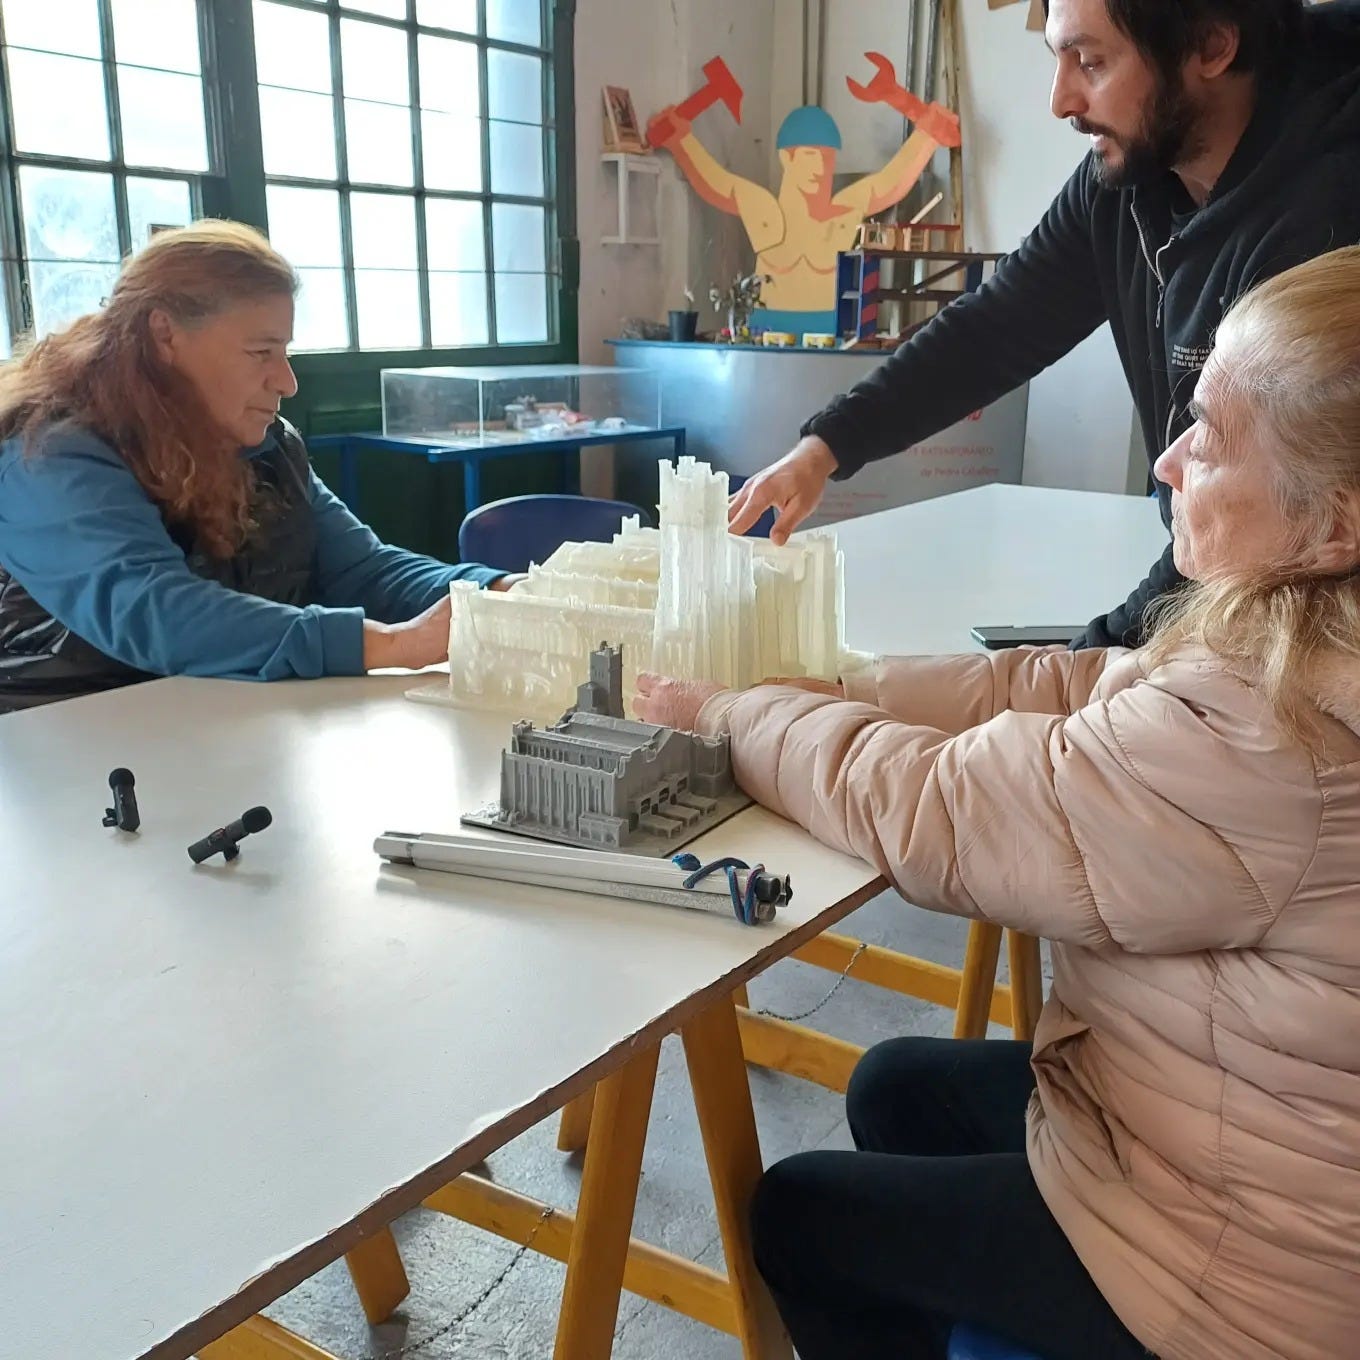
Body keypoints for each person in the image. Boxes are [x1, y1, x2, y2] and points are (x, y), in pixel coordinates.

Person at [635, 246, 1360, 1359]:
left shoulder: (1276, 733)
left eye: (1208, 438)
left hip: (1244, 1277)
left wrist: (735, 718)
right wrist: (839, 688)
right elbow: (1072, 685)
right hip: (1246, 1132)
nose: (1166, 461)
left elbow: (943, 813)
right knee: (897, 1084)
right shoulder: (1304, 649)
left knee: (801, 1216)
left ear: (1333, 523)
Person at [727, 0, 1360, 651]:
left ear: (1211, 46)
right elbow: (995, 327)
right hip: (1215, 587)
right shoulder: (1127, 179)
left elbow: (1255, 536)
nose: (1060, 100)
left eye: (1090, 61)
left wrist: (1082, 669)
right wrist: (827, 445)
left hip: (1306, 638)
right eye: (1057, 57)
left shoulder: (1327, 220)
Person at [0, 221, 518, 715]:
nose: (287, 382)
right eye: (261, 351)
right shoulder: (47, 451)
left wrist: (496, 596)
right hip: (64, 748)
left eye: (285, 351)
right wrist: (390, 644)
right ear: (165, 335)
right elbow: (154, 610)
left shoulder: (267, 445)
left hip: (223, 731)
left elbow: (363, 570)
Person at [647, 99, 960, 336]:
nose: (820, 168)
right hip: (767, 337)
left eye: (827, 158)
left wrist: (927, 138)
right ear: (787, 157)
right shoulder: (765, 211)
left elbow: (888, 183)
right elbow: (717, 182)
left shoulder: (844, 212)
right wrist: (679, 140)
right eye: (811, 156)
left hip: (831, 337)